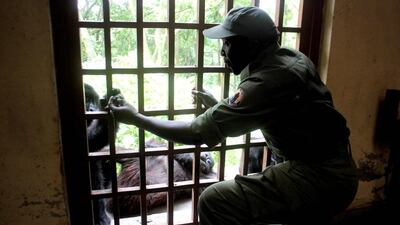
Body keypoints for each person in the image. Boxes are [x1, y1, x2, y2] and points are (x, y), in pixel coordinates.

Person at [107, 6, 359, 225]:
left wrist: (136, 118)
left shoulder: (268, 81)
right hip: (332, 170)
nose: (222, 52)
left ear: (251, 45)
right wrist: (219, 108)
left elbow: (196, 132)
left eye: (228, 43)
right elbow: (274, 111)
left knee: (214, 201)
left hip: (319, 177)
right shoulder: (288, 59)